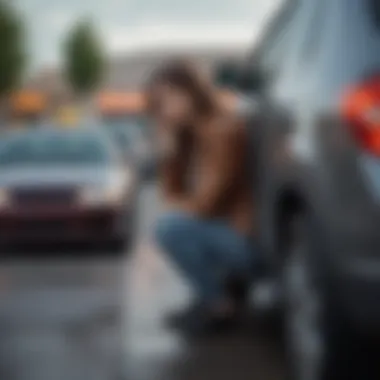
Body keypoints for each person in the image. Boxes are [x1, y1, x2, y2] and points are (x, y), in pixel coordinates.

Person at [146, 60, 259, 335]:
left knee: (169, 228)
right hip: (225, 234)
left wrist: (178, 206)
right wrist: (169, 153)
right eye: (159, 102)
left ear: (192, 92)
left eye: (170, 98)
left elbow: (205, 204)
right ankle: (211, 296)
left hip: (248, 243)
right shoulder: (191, 137)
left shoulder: (221, 130)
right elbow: (173, 196)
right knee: (172, 224)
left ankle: (220, 304)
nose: (164, 109)